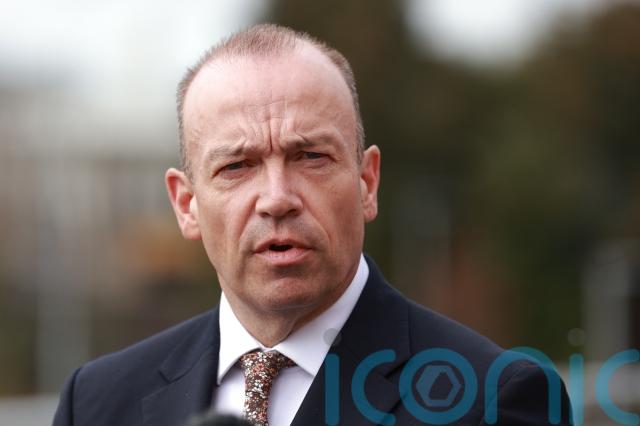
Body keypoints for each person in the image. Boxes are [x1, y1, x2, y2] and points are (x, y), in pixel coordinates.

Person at [53, 24, 571, 425]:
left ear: (366, 182)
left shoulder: (494, 399)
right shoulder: (97, 403)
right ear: (186, 204)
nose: (277, 199)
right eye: (237, 166)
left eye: (310, 157)